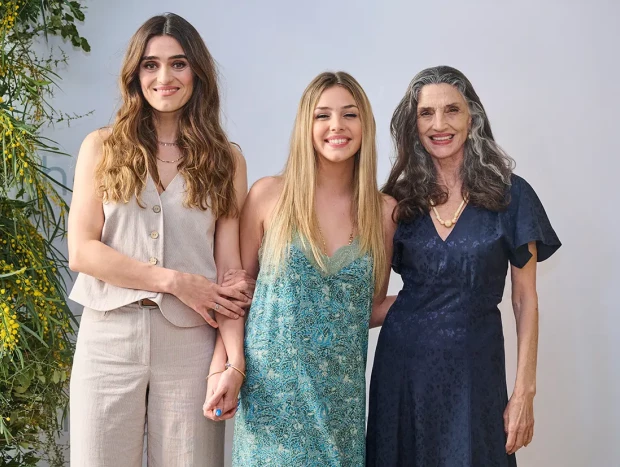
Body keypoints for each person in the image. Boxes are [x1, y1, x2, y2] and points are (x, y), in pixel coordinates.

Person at [67, 13, 250, 466]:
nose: (164, 77)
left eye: (179, 64)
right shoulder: (101, 147)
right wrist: (174, 281)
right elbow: (82, 251)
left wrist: (233, 363)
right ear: (135, 75)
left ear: (197, 73)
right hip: (108, 339)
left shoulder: (225, 160)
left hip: (191, 346)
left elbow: (230, 275)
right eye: (151, 65)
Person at [366, 65, 561, 466]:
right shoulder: (396, 201)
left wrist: (524, 390)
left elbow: (524, 299)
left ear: (472, 116)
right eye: (426, 113)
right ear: (413, 124)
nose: (439, 124)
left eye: (451, 110)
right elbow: (369, 300)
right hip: (402, 372)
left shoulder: (511, 195)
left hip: (476, 373)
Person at [227, 71, 396, 466]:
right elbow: (237, 293)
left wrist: (433, 300)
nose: (336, 126)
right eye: (323, 115)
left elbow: (366, 308)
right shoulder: (268, 195)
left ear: (365, 125)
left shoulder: (384, 212)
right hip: (271, 404)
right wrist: (228, 365)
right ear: (306, 125)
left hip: (341, 410)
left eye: (349, 114)